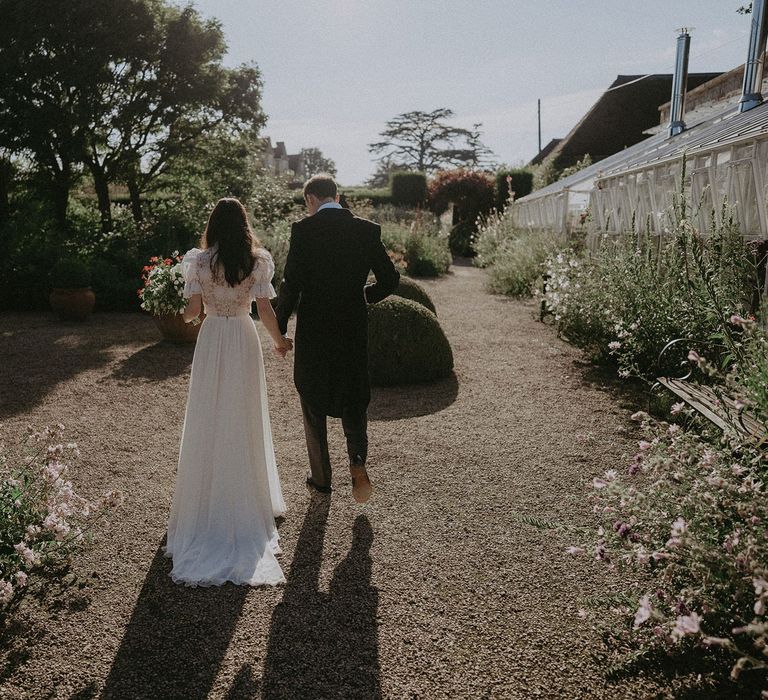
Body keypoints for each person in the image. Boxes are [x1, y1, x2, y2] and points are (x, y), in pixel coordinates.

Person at [163, 198, 293, 587]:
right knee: (244, 414)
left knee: (209, 413)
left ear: (213, 225)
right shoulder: (257, 261)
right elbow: (265, 311)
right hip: (242, 336)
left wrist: (179, 301)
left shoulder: (199, 262)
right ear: (244, 225)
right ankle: (247, 496)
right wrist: (280, 340)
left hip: (212, 338)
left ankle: (205, 500)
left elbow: (190, 314)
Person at [276, 173, 399, 503]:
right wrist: (363, 296)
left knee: (311, 395)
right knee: (354, 395)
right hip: (351, 326)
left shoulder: (303, 230)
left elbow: (293, 284)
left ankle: (321, 479)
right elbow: (390, 279)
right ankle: (357, 461)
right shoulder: (366, 230)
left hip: (315, 328)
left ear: (311, 200)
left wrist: (280, 326)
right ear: (339, 195)